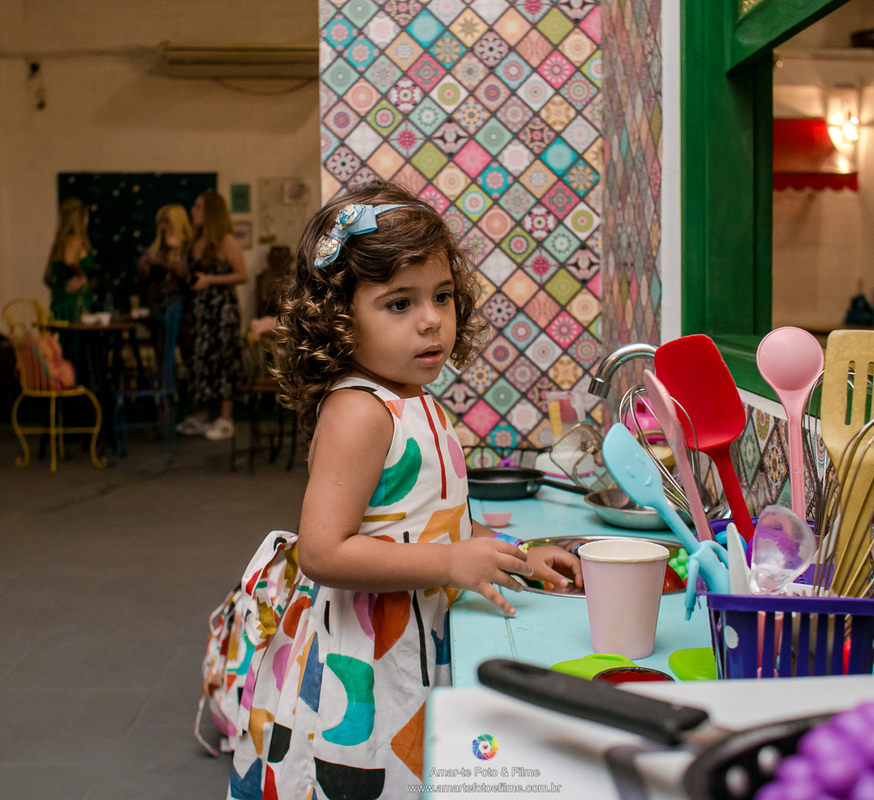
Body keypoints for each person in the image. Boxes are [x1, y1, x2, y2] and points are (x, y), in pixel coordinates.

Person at [224, 182, 582, 799]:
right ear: (340, 320)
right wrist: (449, 562)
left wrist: (521, 557)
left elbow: (437, 522)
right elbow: (323, 551)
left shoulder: (416, 401)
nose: (431, 319)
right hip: (364, 660)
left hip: (414, 633)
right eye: (399, 303)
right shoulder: (360, 412)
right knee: (367, 775)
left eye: (442, 296)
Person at [176, 191, 247, 440]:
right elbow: (183, 273)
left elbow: (242, 275)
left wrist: (210, 280)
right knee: (199, 360)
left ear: (211, 211)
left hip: (221, 309)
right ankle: (201, 415)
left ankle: (226, 418)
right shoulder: (195, 241)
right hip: (199, 310)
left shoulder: (226, 240)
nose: (193, 210)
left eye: (198, 206)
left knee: (224, 359)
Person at [137, 204, 193, 380]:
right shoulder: (155, 249)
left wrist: (162, 265)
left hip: (183, 310)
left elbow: (185, 276)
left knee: (189, 353)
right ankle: (165, 389)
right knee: (161, 355)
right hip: (158, 308)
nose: (163, 226)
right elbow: (142, 280)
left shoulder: (188, 247)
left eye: (167, 221)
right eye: (160, 222)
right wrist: (144, 268)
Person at [43, 198, 97, 322]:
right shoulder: (75, 239)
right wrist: (81, 275)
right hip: (75, 305)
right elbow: (69, 260)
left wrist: (61, 289)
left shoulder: (57, 246)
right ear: (81, 217)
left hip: (58, 303)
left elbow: (47, 277)